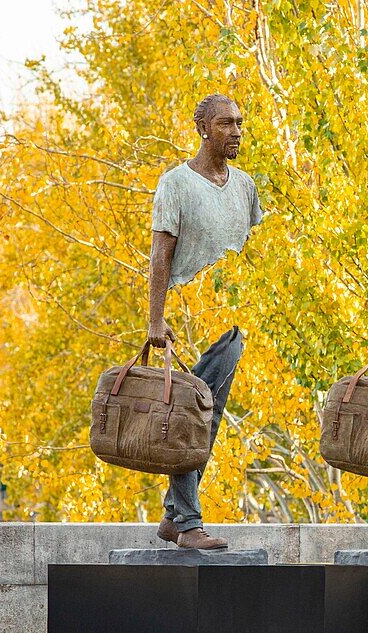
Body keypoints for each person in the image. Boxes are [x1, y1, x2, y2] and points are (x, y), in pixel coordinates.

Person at [147, 93, 263, 550]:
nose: (236, 131)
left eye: (239, 123)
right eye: (225, 124)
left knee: (205, 419)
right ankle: (187, 521)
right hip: (186, 317)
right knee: (190, 418)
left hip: (231, 321)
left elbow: (255, 253)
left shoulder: (246, 187)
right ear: (202, 129)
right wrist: (155, 321)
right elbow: (160, 254)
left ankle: (176, 516)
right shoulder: (175, 183)